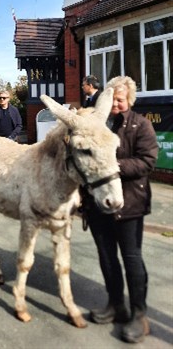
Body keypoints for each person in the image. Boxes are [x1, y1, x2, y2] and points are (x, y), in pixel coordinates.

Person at [84, 76, 158, 344]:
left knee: (131, 259)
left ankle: (139, 315)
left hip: (130, 204)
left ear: (129, 100)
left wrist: (114, 165)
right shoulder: (97, 125)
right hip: (98, 204)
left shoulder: (141, 125)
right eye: (111, 97)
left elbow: (148, 161)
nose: (115, 102)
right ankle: (116, 305)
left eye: (120, 98)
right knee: (107, 258)